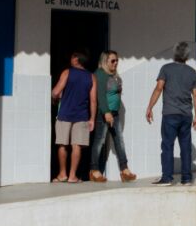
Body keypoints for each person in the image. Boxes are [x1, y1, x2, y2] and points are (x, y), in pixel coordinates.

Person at [146, 42, 196, 186]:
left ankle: (167, 177)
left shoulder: (166, 68)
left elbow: (159, 88)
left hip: (170, 114)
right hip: (186, 115)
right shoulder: (192, 72)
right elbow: (195, 95)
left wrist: (150, 107)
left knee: (167, 145)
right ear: (187, 56)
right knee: (185, 147)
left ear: (174, 53)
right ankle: (187, 178)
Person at [88, 50, 136, 183]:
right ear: (105, 61)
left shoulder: (113, 75)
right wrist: (106, 112)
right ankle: (94, 170)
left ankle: (124, 170)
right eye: (112, 61)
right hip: (104, 114)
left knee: (119, 141)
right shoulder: (100, 75)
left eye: (117, 61)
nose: (115, 63)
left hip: (114, 114)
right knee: (99, 141)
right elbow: (100, 96)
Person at [51, 52, 97, 182]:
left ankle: (62, 174)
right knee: (77, 146)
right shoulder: (92, 77)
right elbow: (93, 100)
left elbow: (55, 92)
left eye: (72, 57)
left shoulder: (67, 72)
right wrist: (92, 119)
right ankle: (72, 176)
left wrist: (54, 99)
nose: (70, 59)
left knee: (62, 144)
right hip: (82, 116)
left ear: (76, 60)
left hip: (64, 114)